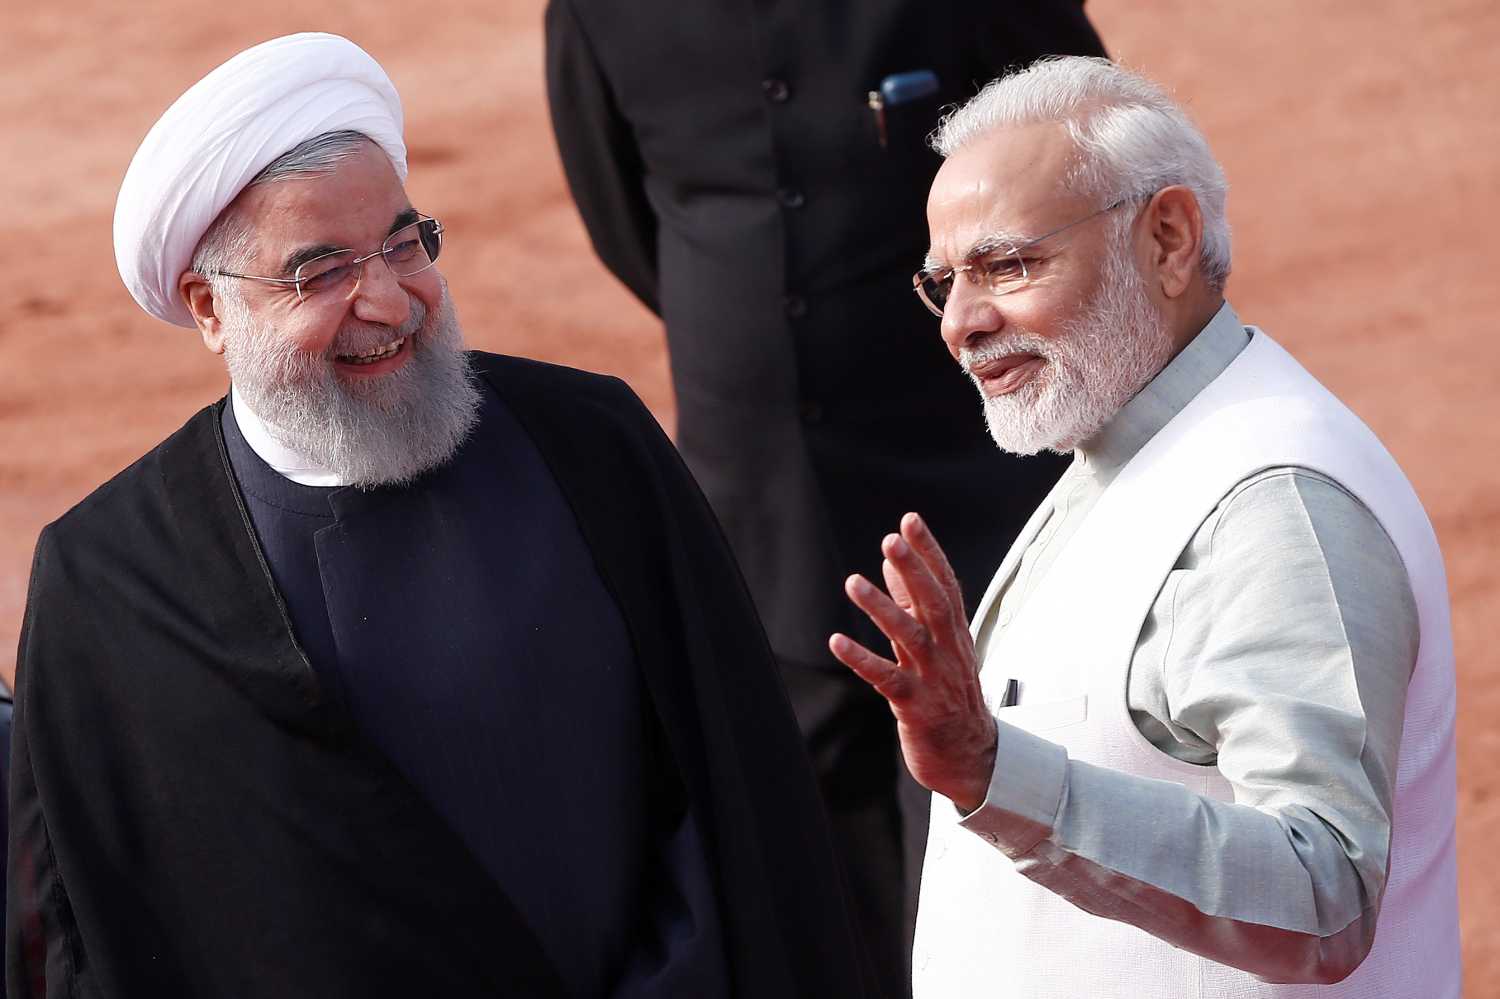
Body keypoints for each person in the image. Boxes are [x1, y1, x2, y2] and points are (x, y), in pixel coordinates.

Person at [6, 33, 872, 998]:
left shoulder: (592, 448)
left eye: (405, 241)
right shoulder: (111, 585)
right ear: (210, 308)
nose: (387, 298)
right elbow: (110, 933)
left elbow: (737, 810)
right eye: (320, 269)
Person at [830, 56, 1461, 997]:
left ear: (1168, 239)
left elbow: (1323, 891)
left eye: (1006, 264)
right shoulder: (1132, 443)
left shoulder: (1273, 507)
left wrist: (999, 774)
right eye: (943, 282)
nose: (960, 321)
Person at [544, 6, 1105, 991]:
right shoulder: (599, 13)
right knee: (810, 882)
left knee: (1004, 865)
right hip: (760, 516)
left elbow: (1089, 153)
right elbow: (628, 223)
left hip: (975, 497)